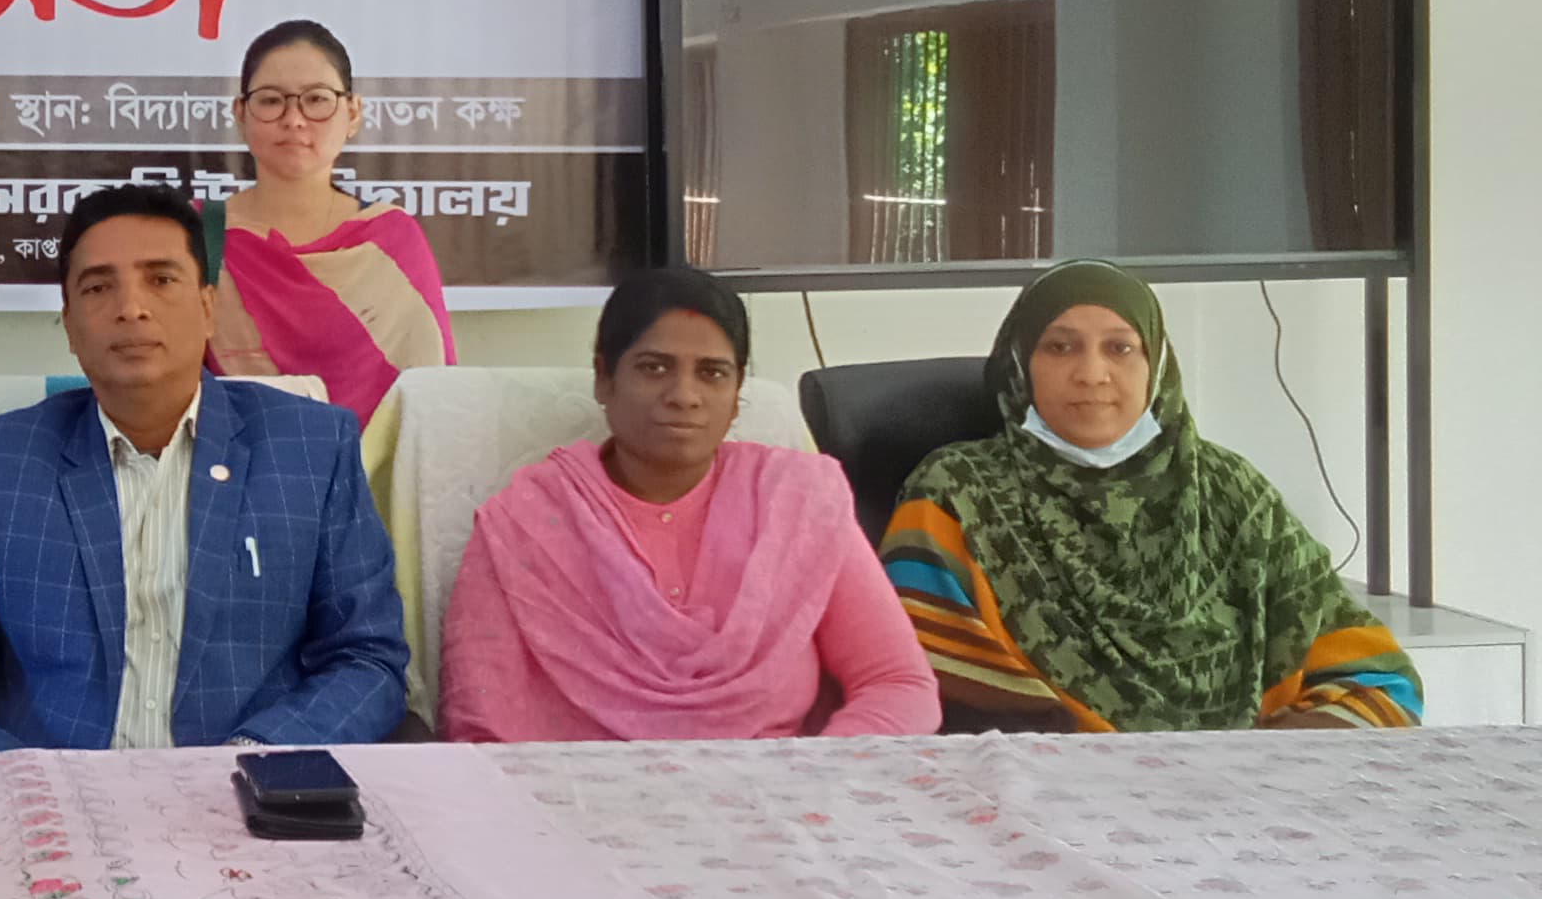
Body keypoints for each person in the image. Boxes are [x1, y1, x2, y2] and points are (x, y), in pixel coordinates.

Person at [0, 184, 410, 755]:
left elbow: (366, 660)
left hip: (246, 789)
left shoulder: (310, 448)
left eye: (160, 280)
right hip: (49, 791)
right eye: (98, 287)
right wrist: (17, 780)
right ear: (68, 323)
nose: (131, 308)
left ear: (208, 307)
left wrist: (255, 757)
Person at [882, 260, 1420, 731]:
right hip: (1040, 784)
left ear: (1157, 366)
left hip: (1241, 792)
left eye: (1120, 348)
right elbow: (921, 678)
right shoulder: (957, 493)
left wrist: (1259, 767)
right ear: (1021, 365)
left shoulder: (1231, 493)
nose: (1091, 374)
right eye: (1060, 347)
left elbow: (1380, 682)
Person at [441, 268, 937, 741]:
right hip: (576, 789)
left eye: (712, 373)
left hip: (781, 787)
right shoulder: (524, 524)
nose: (684, 395)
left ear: (737, 393)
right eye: (654, 368)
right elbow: (481, 725)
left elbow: (898, 683)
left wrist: (812, 774)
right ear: (604, 378)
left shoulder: (797, 504)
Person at [209, 19, 453, 420]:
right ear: (240, 112)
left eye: (317, 99)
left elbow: (432, 397)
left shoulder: (390, 239)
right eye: (270, 101)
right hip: (230, 457)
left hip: (370, 461)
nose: (294, 119)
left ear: (353, 113)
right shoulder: (198, 235)